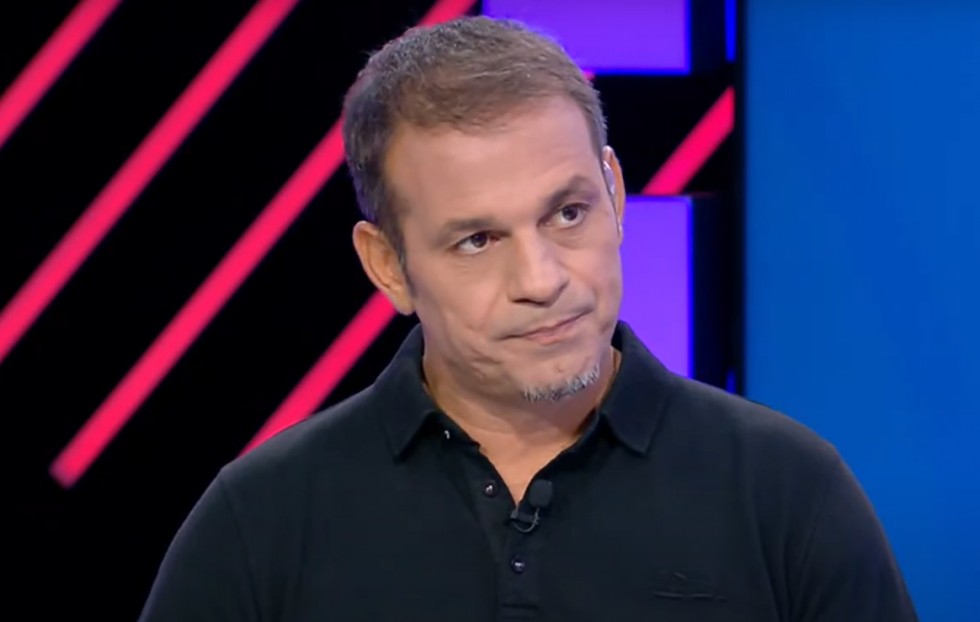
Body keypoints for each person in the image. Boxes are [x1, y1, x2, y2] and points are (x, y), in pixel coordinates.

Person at [137, 15, 918, 622]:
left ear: (615, 192)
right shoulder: (262, 522)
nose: (542, 280)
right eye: (478, 240)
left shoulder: (787, 494)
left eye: (568, 213)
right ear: (388, 266)